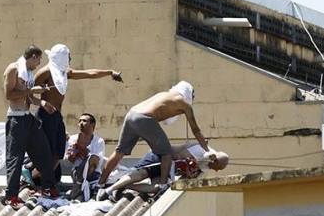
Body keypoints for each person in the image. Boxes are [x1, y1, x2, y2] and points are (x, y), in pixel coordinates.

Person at [24, 44, 122, 182]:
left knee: (59, 152)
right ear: (61, 57)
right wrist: (38, 105)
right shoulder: (45, 72)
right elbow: (27, 93)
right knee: (48, 151)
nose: (70, 59)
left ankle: (41, 180)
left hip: (57, 116)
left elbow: (89, 73)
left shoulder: (65, 72)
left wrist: (110, 72)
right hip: (46, 115)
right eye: (68, 56)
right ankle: (29, 169)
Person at [98, 81, 209, 190]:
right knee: (166, 152)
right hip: (145, 119)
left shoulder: (164, 95)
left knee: (119, 152)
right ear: (188, 93)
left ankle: (100, 183)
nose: (193, 98)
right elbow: (196, 130)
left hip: (131, 115)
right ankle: (163, 184)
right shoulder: (184, 103)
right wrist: (207, 150)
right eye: (193, 94)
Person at [2, 45, 59, 209]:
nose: (39, 63)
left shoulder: (28, 73)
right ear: (33, 57)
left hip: (28, 118)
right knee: (15, 158)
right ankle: (11, 196)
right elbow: (10, 95)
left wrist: (41, 103)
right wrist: (31, 91)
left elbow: (28, 96)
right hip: (16, 119)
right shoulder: (13, 69)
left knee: (43, 151)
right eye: (39, 59)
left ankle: (49, 187)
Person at [97, 142, 229, 202]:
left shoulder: (208, 164)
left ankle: (124, 185)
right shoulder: (201, 151)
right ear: (216, 160)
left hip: (168, 169)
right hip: (161, 157)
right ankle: (108, 190)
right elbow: (178, 157)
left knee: (156, 189)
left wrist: (190, 173)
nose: (216, 170)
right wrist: (188, 169)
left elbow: (191, 171)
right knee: (141, 175)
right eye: (218, 167)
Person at [64, 112, 105, 201]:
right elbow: (66, 162)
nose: (81, 123)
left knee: (93, 158)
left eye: (84, 121)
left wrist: (84, 150)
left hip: (94, 174)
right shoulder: (73, 139)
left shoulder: (99, 141)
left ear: (92, 125)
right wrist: (71, 157)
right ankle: (82, 186)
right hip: (77, 172)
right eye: (80, 121)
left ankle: (79, 188)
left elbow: (98, 161)